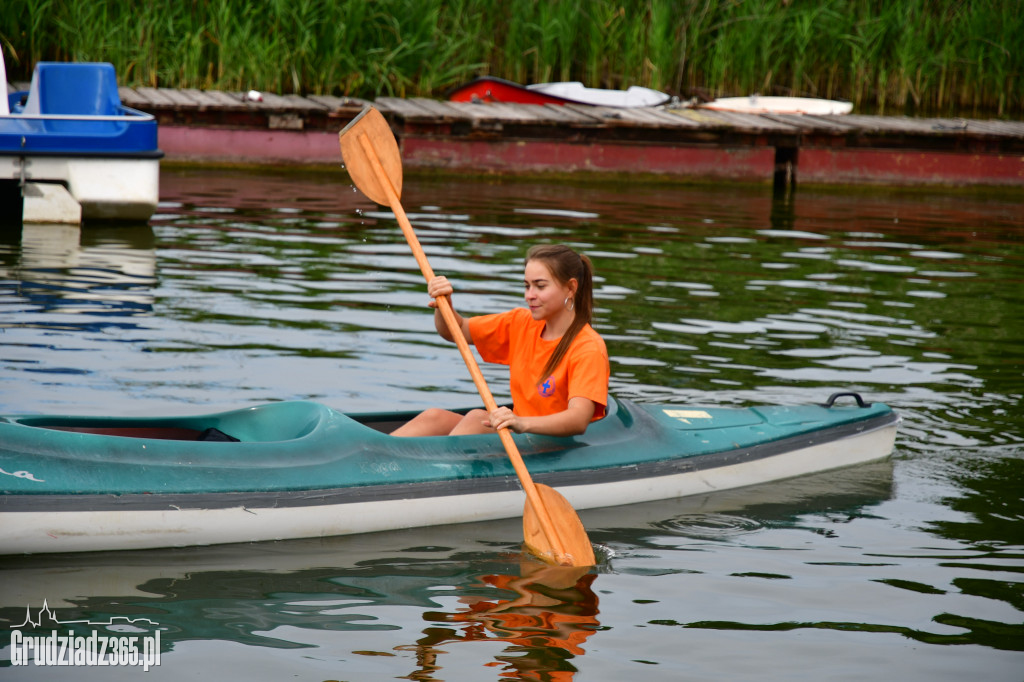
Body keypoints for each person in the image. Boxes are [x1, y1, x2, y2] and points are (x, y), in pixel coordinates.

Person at [391, 244, 609, 438]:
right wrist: (444, 305)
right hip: (521, 434)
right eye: (526, 286)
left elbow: (578, 420)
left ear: (571, 288)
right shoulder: (520, 322)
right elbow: (455, 330)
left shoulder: (587, 347)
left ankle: (433, 475)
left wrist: (521, 423)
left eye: (540, 286)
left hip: (555, 445)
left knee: (476, 419)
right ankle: (376, 463)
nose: (529, 295)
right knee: (434, 417)